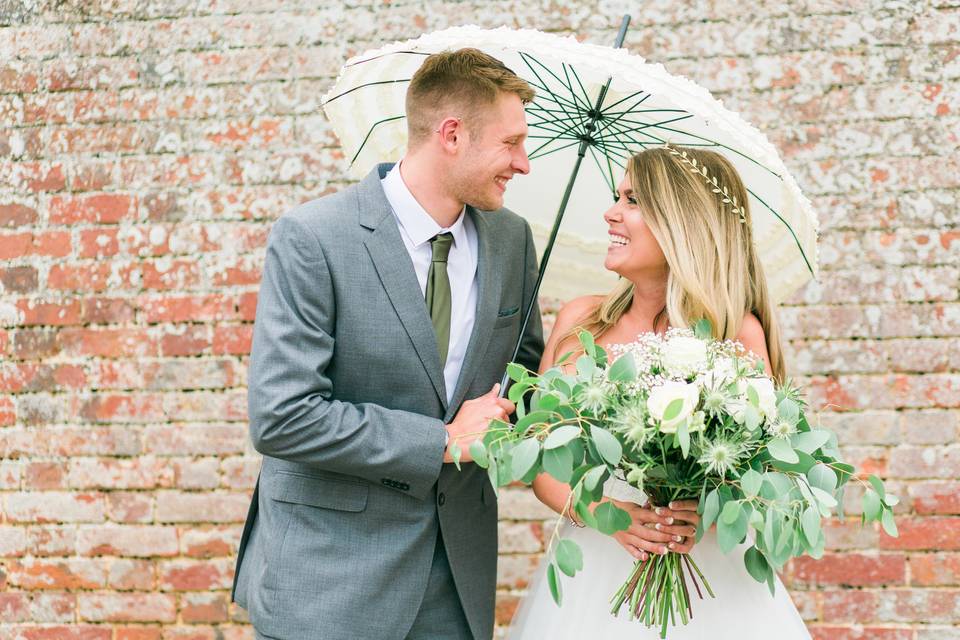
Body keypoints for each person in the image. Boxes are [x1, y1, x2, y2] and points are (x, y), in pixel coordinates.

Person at [230, 48, 545, 640]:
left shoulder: (512, 241)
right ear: (452, 134)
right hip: (330, 581)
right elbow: (282, 418)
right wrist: (444, 441)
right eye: (511, 143)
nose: (522, 164)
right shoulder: (314, 238)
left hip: (456, 582)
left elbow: (522, 377)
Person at [509, 146, 811, 638]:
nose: (610, 212)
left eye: (632, 200)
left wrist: (704, 511)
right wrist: (603, 512)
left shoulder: (736, 333)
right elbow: (541, 463)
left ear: (681, 222)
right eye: (616, 196)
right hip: (597, 570)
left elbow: (764, 473)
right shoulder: (580, 323)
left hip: (711, 584)